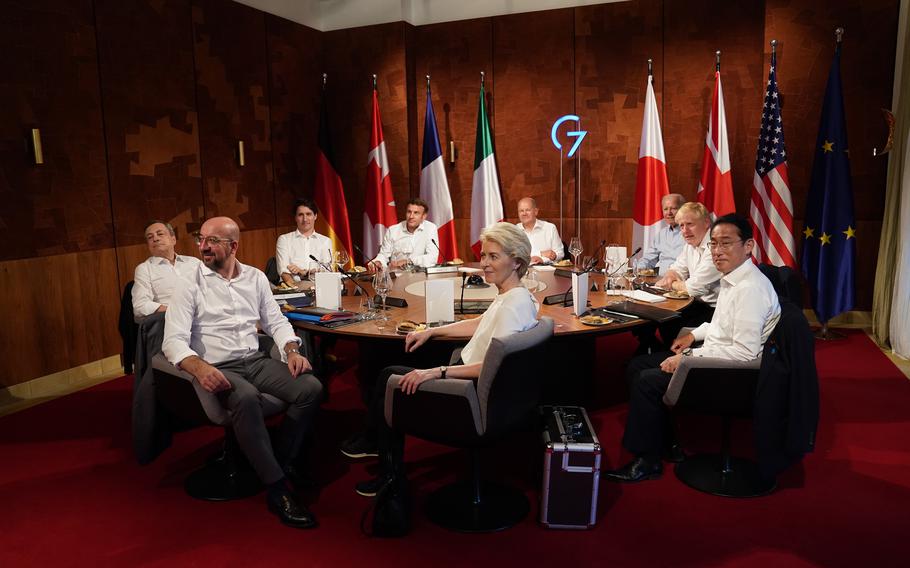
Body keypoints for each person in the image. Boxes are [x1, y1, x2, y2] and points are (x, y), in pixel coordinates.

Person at [347, 222, 540, 496]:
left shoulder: (512, 305)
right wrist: (432, 331)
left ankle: (389, 475)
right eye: (484, 255)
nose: (484, 263)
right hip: (487, 389)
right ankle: (374, 440)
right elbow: (481, 323)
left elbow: (492, 366)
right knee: (389, 373)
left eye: (493, 257)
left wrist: (436, 372)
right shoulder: (517, 296)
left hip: (471, 395)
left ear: (517, 262)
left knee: (389, 377)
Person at [162, 216, 323, 529]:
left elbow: (275, 321)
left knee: (311, 388)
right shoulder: (188, 282)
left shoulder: (255, 278)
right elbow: (173, 341)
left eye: (212, 241)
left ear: (233, 246)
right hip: (219, 366)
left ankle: (280, 459)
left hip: (255, 360)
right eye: (201, 239)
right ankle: (278, 489)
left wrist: (291, 350)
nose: (203, 247)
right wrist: (198, 366)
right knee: (247, 398)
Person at [604, 214, 781, 483]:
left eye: (726, 243)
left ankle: (647, 459)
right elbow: (723, 325)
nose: (717, 251)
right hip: (715, 355)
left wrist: (688, 357)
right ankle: (665, 438)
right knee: (637, 365)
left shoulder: (750, 289)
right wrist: (694, 336)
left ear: (748, 246)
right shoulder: (734, 277)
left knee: (645, 380)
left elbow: (744, 354)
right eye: (713, 244)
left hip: (733, 375)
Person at [131, 220, 201, 322]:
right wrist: (176, 311)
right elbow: (140, 306)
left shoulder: (194, 262)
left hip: (203, 320)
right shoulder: (145, 269)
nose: (155, 238)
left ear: (173, 239)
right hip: (170, 323)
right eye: (150, 237)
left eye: (160, 234)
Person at [369, 198, 439, 271]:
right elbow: (383, 254)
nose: (411, 216)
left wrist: (409, 261)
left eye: (416, 213)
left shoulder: (430, 228)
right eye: (409, 212)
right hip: (397, 275)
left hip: (420, 275)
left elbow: (432, 258)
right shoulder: (393, 230)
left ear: (423, 216)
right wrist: (378, 261)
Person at [275, 198, 333, 285]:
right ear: (295, 217)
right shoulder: (284, 239)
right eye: (300, 215)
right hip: (294, 289)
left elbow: (327, 271)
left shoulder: (325, 241)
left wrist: (302, 272)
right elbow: (284, 272)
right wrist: (297, 289)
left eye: (308, 214)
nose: (305, 219)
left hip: (320, 286)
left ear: (315, 216)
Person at [634, 193, 686, 275]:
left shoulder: (689, 234)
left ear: (682, 210)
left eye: (673, 208)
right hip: (659, 281)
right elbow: (649, 258)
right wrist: (640, 267)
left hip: (681, 281)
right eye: (665, 209)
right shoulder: (661, 234)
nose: (669, 213)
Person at [515, 197, 564, 265]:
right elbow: (515, 255)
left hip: (546, 271)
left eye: (527, 210)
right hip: (522, 272)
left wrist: (543, 260)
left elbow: (560, 253)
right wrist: (541, 253)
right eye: (521, 211)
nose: (524, 213)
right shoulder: (514, 231)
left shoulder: (550, 228)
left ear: (536, 211)